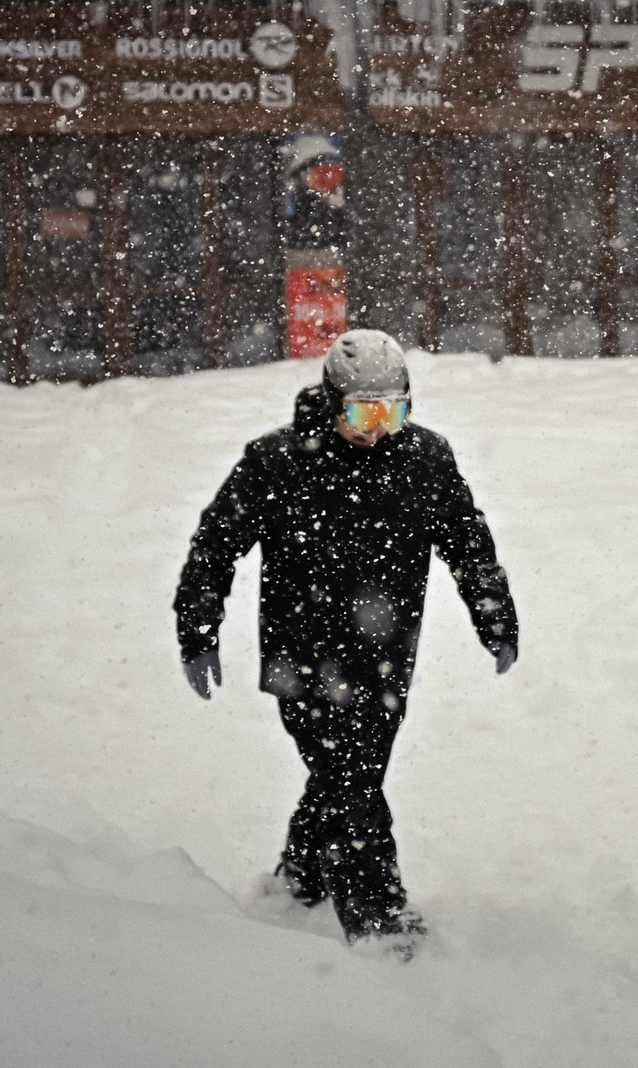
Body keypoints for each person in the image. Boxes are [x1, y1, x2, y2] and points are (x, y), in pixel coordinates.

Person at [174, 328, 518, 946]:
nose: (376, 430)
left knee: (343, 778)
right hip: (301, 663)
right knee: (350, 781)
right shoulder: (278, 462)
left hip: (385, 662)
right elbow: (215, 545)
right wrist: (198, 629)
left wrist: (494, 617)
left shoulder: (425, 460)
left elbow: (468, 542)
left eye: (393, 413)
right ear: (332, 402)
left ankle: (299, 880)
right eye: (362, 414)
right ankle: (378, 919)